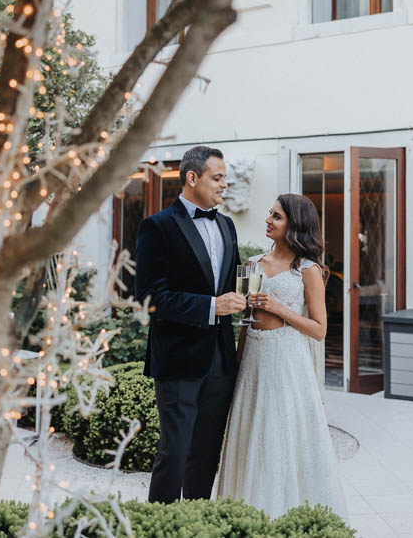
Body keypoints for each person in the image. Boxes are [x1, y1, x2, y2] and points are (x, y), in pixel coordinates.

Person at [216, 193, 347, 519]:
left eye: (276, 216)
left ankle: (284, 512)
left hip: (288, 362)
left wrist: (278, 308)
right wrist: (235, 364)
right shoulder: (252, 265)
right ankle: (246, 510)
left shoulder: (308, 270)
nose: (268, 220)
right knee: (250, 434)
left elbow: (319, 329)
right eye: (270, 214)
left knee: (282, 436)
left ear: (294, 225)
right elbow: (245, 321)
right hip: (253, 362)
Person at [134, 145, 246, 503]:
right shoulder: (157, 227)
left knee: (206, 455)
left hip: (220, 360)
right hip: (178, 359)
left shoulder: (227, 225)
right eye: (217, 178)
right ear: (192, 178)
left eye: (225, 178)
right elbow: (150, 298)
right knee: (175, 454)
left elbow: (231, 286)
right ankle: (160, 525)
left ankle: (195, 521)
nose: (224, 185)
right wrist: (212, 306)